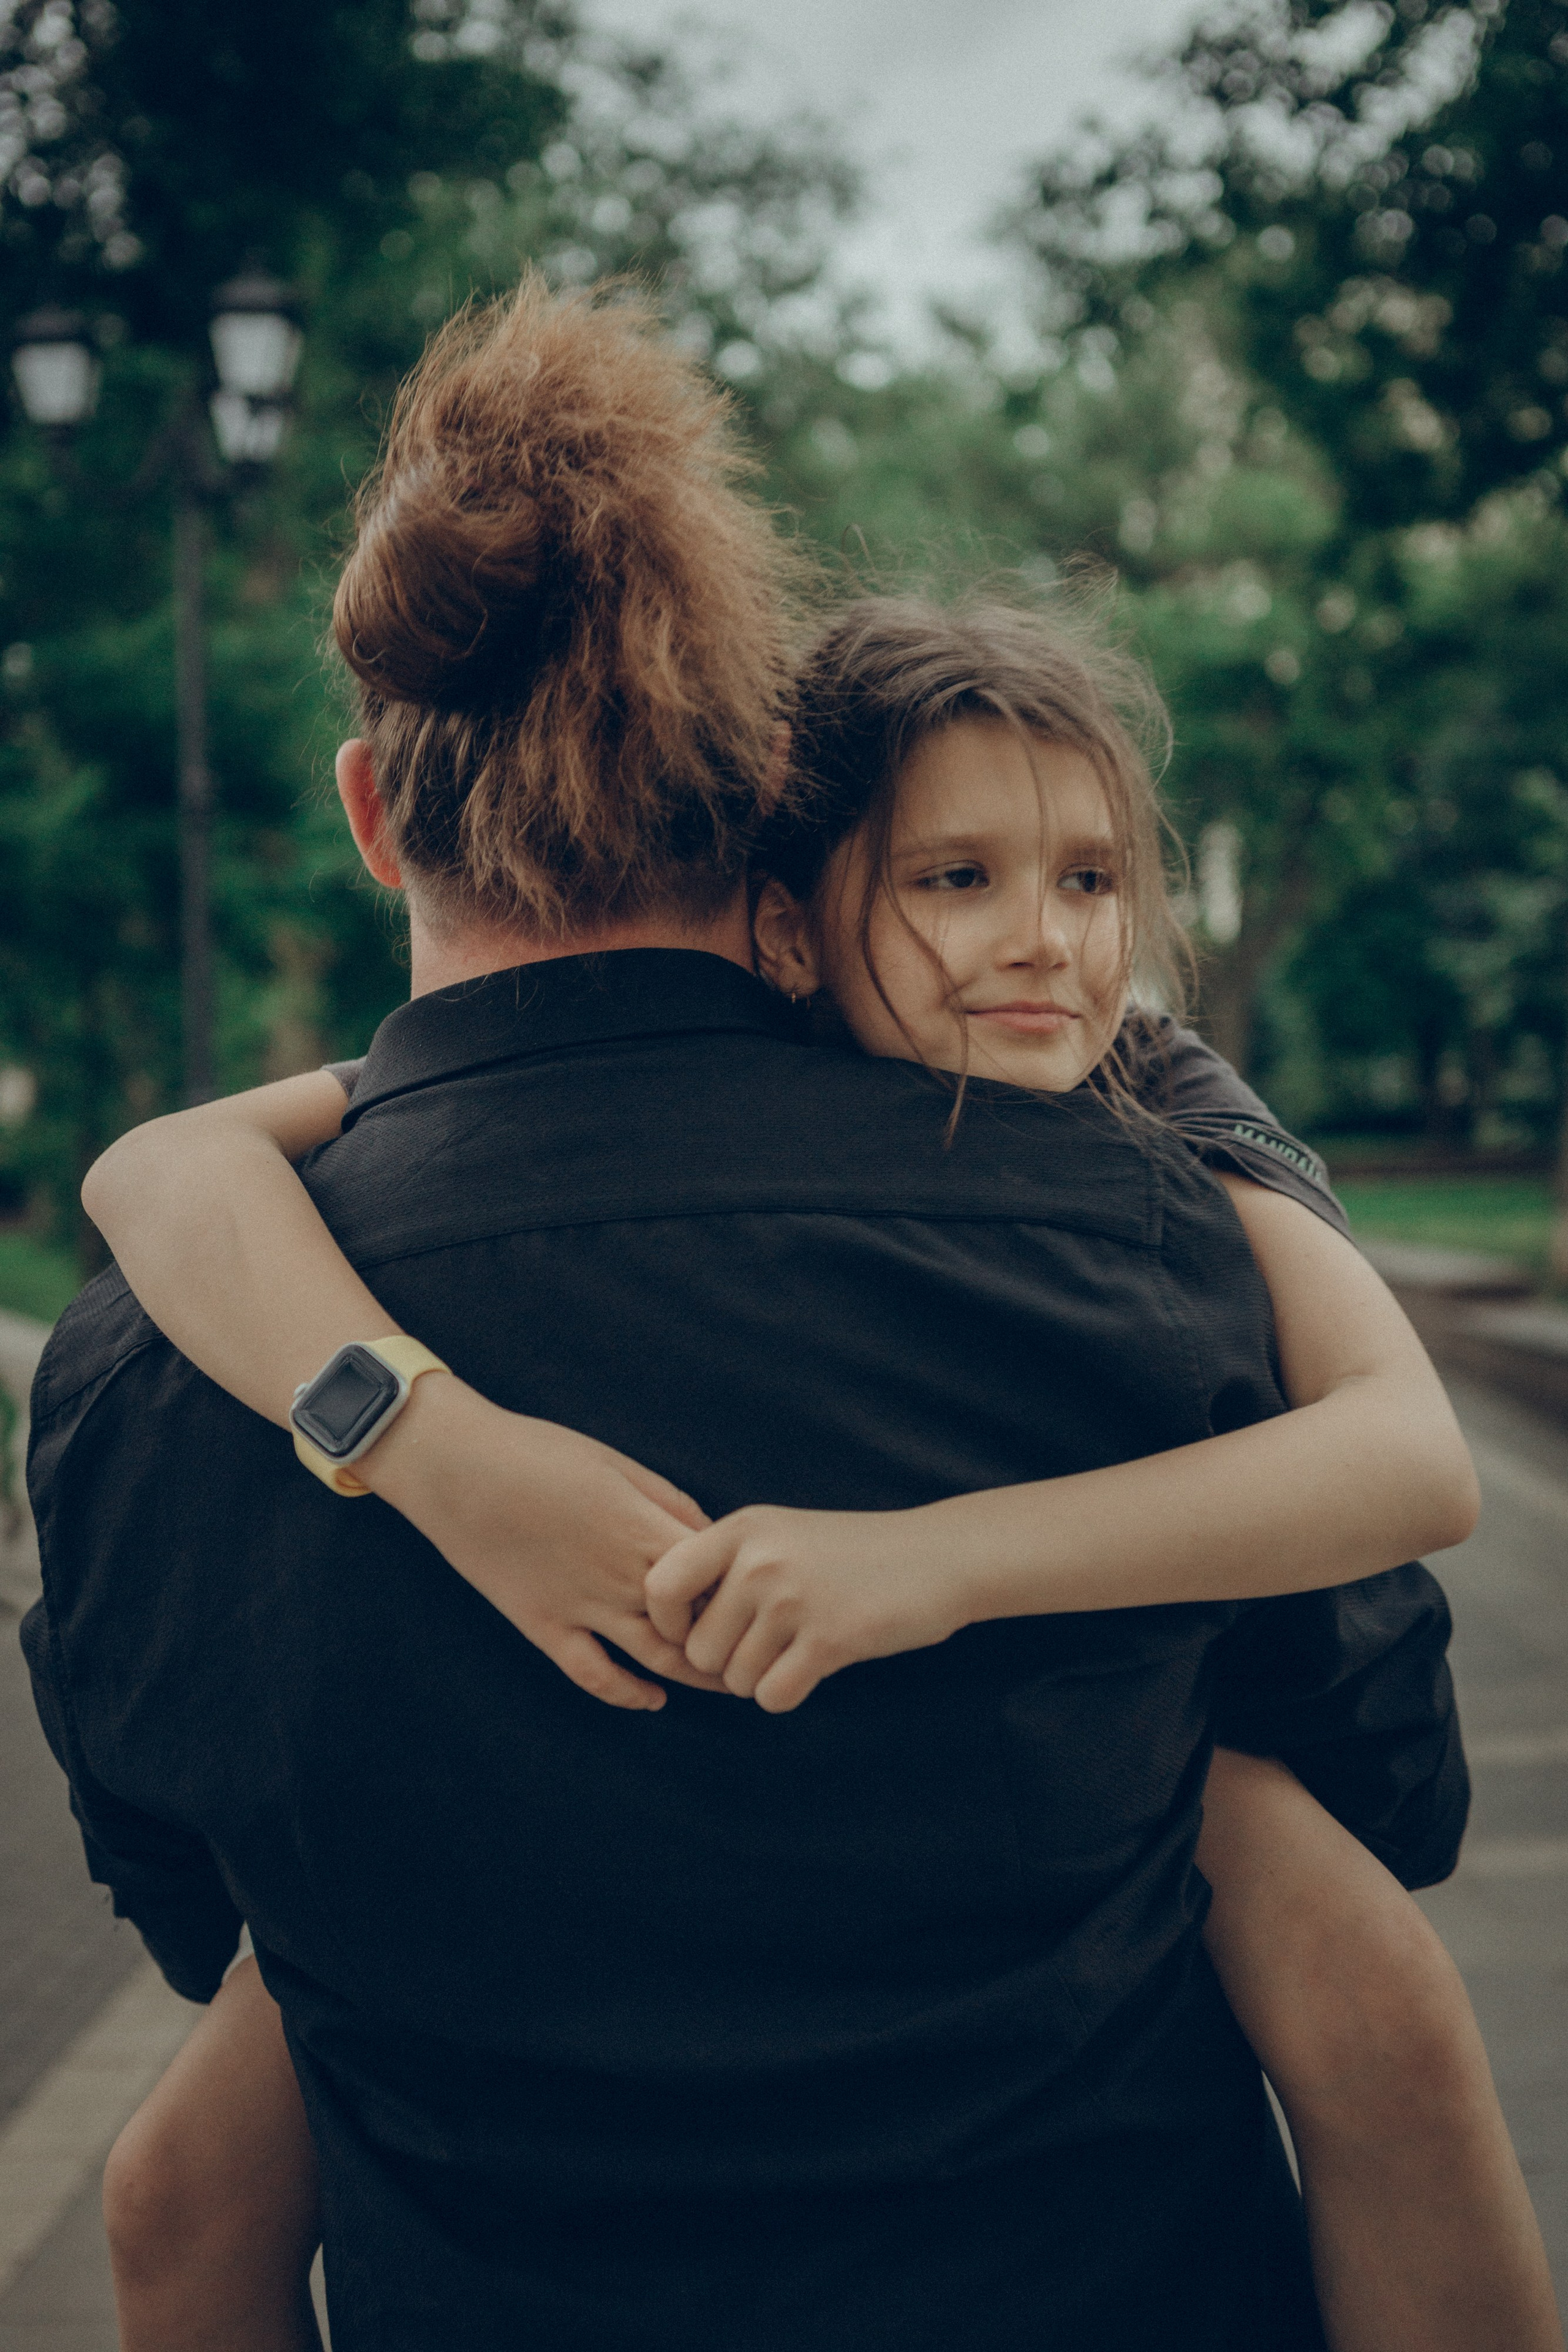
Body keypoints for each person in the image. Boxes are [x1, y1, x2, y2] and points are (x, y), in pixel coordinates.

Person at [13, 276, 1510, 2351]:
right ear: (766, 817)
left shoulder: (147, 1361)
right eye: (969, 879)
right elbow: (1390, 1792)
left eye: (1089, 884)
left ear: (372, 814)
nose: (1051, 944)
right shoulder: (1148, 1238)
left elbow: (204, 1942)